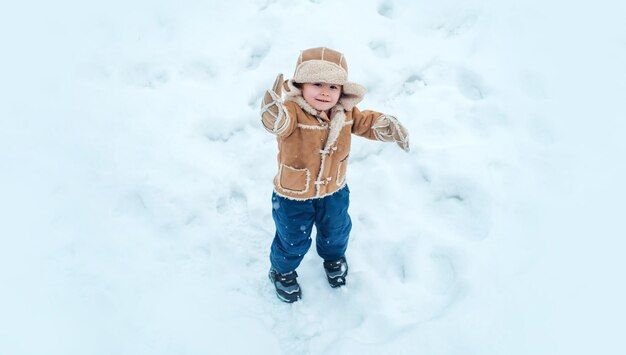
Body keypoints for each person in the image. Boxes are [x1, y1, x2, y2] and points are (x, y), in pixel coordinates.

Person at [260, 47, 410, 303]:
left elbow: (365, 122)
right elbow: (280, 124)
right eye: (317, 83)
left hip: (334, 189)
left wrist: (384, 126)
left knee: (337, 229)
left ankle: (333, 257)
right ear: (301, 85)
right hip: (294, 193)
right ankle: (282, 271)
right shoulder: (292, 111)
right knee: (292, 236)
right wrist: (273, 114)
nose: (325, 92)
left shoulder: (345, 112)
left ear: (342, 90)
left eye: (333, 86)